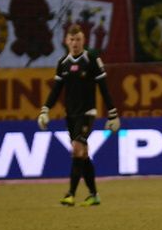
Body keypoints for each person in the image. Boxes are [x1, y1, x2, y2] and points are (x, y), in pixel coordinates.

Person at [37, 23, 120, 207]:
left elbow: (104, 88)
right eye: (72, 39)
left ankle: (70, 194)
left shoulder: (91, 59)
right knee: (82, 154)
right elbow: (56, 89)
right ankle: (94, 195)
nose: (75, 43)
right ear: (66, 41)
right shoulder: (63, 63)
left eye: (79, 39)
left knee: (76, 148)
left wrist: (113, 114)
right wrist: (45, 109)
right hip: (71, 115)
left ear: (84, 40)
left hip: (88, 113)